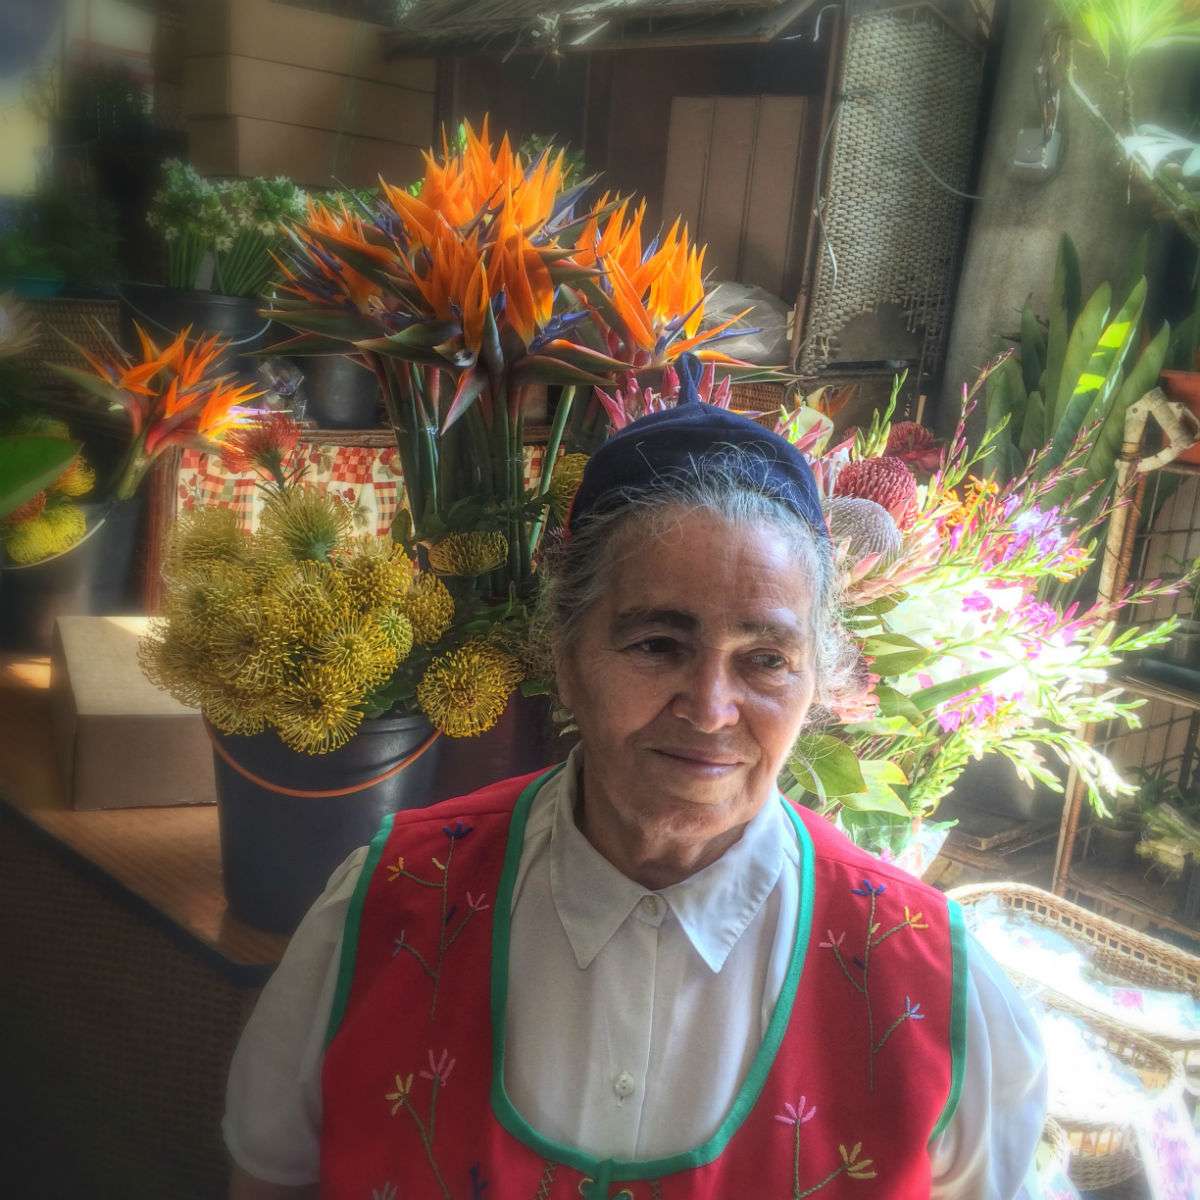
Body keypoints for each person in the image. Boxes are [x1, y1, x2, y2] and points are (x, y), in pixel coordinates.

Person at [224, 358, 1046, 1199]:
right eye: (658, 644)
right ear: (567, 655)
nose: (712, 707)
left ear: (817, 683)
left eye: (765, 659)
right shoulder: (386, 911)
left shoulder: (930, 987)